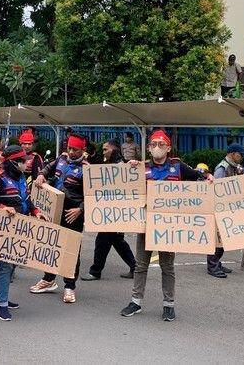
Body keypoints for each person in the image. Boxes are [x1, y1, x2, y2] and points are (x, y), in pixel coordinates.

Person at [120, 130, 212, 322]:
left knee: (167, 266)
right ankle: (135, 302)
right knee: (140, 265)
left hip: (169, 228)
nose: (157, 148)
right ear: (148, 148)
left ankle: (168, 305)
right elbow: (124, 186)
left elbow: (198, 176)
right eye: (153, 144)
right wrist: (127, 168)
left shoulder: (178, 167)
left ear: (168, 148)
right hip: (146, 224)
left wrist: (209, 176)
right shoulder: (140, 168)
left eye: (161, 144)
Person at [0, 145, 47, 321]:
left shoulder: (21, 178)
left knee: (10, 265)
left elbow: (26, 199)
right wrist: (4, 208)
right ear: (12, 162)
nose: (24, 164)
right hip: (2, 231)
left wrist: (36, 212)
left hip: (18, 232)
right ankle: (2, 306)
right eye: (21, 161)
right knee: (5, 267)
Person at [29, 133, 88, 304]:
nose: (71, 152)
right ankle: (48, 279)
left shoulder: (87, 168)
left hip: (73, 214)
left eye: (75, 149)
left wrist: (80, 209)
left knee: (71, 250)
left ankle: (70, 286)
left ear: (83, 150)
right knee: (51, 245)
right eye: (69, 148)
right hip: (55, 210)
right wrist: (41, 175)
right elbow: (48, 169)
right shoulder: (61, 159)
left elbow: (92, 195)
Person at [80, 139, 136, 281]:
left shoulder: (120, 166)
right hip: (110, 211)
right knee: (117, 241)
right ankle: (135, 268)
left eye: (106, 149)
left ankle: (95, 271)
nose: (103, 152)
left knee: (103, 241)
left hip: (114, 212)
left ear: (114, 150)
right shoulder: (111, 165)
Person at [208, 144, 244, 278]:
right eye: (240, 155)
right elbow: (218, 188)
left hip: (227, 208)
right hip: (219, 208)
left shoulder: (233, 168)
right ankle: (212, 266)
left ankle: (217, 262)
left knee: (222, 239)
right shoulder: (222, 168)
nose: (241, 157)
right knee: (217, 239)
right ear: (233, 154)